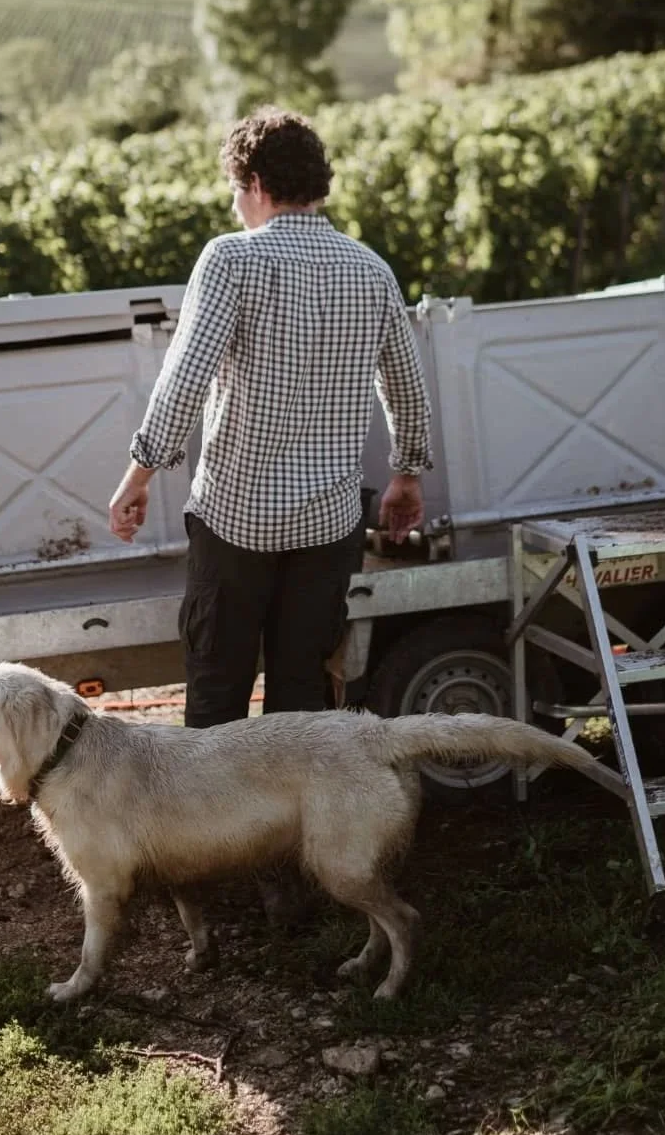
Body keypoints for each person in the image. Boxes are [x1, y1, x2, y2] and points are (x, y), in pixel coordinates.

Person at [108, 107, 432, 732]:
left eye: (236, 191)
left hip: (234, 518)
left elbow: (185, 378)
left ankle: (216, 828)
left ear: (255, 183)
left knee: (217, 694)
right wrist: (407, 475)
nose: (235, 206)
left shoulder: (232, 259)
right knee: (303, 701)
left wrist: (139, 475)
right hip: (327, 524)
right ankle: (293, 827)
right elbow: (407, 386)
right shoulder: (371, 269)